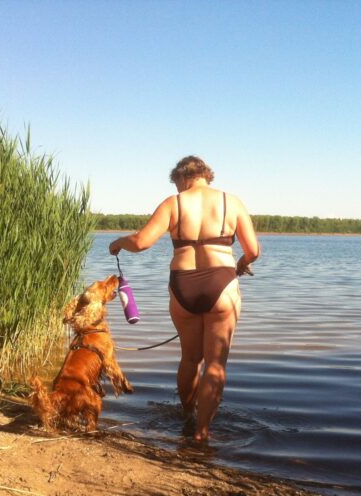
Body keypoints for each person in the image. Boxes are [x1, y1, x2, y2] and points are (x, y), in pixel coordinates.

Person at [109, 156, 260, 441]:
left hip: (183, 285)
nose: (177, 188)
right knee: (215, 364)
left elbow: (141, 242)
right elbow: (253, 250)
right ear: (206, 175)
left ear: (181, 177)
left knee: (190, 359)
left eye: (176, 182)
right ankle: (202, 433)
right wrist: (241, 264)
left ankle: (188, 416)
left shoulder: (173, 203)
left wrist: (118, 243)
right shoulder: (232, 202)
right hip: (222, 283)